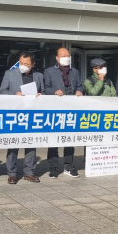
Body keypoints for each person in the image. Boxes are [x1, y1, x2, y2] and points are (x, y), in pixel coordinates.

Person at [0, 52, 43, 184]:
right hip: (15, 114)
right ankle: (12, 173)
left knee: (31, 143)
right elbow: (2, 91)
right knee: (13, 144)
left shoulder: (38, 76)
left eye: (26, 64)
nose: (23, 66)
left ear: (32, 64)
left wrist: (41, 95)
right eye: (21, 63)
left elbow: (44, 92)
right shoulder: (10, 74)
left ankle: (29, 172)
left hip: (32, 114)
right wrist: (15, 94)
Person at [44, 47, 83, 178]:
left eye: (67, 55)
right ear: (57, 58)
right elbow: (45, 88)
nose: (66, 58)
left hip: (71, 110)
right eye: (63, 56)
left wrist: (79, 91)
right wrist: (54, 92)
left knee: (69, 140)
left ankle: (69, 166)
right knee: (54, 141)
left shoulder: (74, 72)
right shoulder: (49, 71)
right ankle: (53, 168)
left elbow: (79, 85)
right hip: (55, 110)